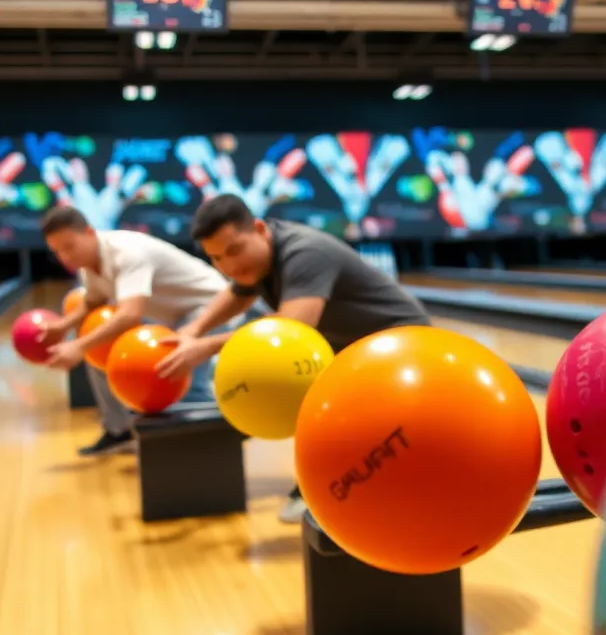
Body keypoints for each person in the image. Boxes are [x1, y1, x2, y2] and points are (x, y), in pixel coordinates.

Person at [156, 194, 432, 523]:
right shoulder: (257, 261)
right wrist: (193, 329)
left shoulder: (305, 253)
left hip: (402, 344)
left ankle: (326, 488)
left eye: (235, 250)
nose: (229, 266)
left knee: (326, 404)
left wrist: (205, 346)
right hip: (354, 349)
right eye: (217, 258)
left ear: (260, 229)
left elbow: (291, 329)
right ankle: (323, 485)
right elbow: (237, 293)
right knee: (317, 395)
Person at [39, 207, 234, 457]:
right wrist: (62, 326)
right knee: (101, 349)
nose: (65, 256)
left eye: (69, 246)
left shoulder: (126, 252)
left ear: (89, 233)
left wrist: (78, 345)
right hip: (170, 315)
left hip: (209, 306)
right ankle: (119, 430)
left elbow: (130, 315)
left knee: (183, 379)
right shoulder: (87, 264)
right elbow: (92, 302)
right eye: (57, 251)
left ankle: (208, 452)